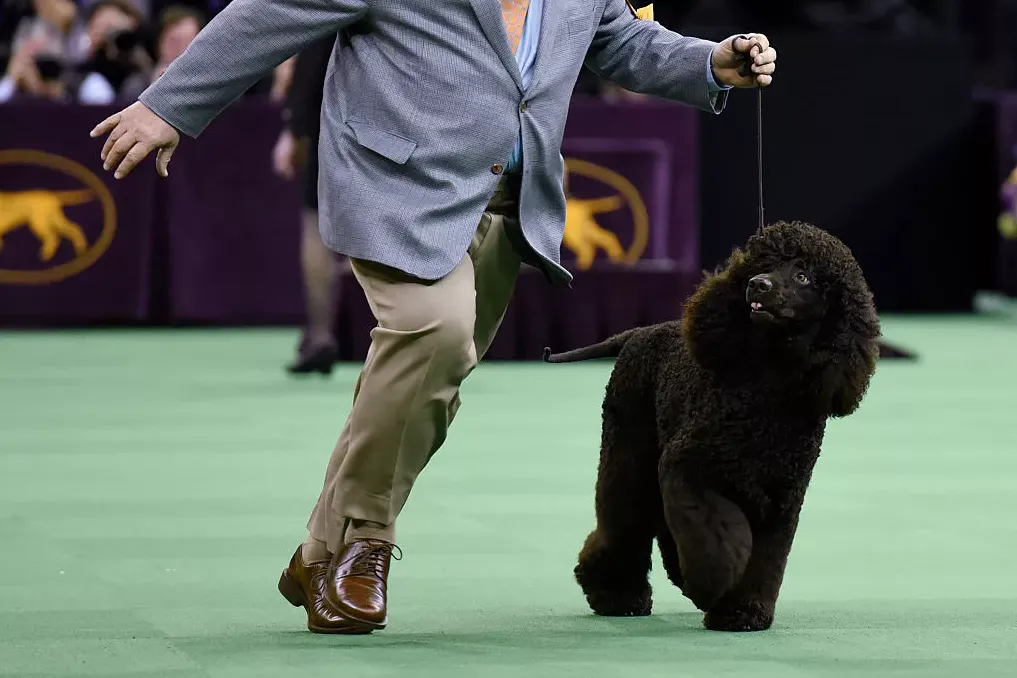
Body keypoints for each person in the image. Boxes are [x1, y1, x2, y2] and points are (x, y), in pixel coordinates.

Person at [88, 0, 777, 634]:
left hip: (510, 205)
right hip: (394, 186)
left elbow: (617, 40)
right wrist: (169, 106)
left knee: (424, 379)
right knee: (435, 335)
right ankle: (367, 545)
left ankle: (316, 553)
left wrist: (706, 62)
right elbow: (270, 12)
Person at [272, 35, 343, 375]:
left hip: (334, 126)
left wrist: (293, 128)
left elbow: (314, 53)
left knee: (316, 227)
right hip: (405, 123)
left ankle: (320, 334)